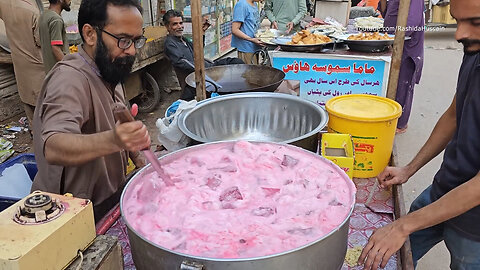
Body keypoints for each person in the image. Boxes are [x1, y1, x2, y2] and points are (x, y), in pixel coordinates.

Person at [359, 0, 480, 269]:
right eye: (457, 21)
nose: (460, 34)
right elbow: (454, 114)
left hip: (474, 225)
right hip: (443, 188)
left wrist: (404, 226)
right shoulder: (474, 50)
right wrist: (409, 169)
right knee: (382, 254)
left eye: (476, 23)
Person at [31, 0, 150, 221]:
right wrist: (114, 140)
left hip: (109, 200)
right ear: (90, 34)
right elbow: (54, 146)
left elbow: (122, 123)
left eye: (136, 40)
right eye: (123, 40)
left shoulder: (109, 69)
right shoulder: (69, 79)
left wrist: (141, 160)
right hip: (72, 215)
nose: (132, 50)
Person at [163, 9, 244, 101]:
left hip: (209, 68)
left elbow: (198, 50)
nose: (179, 26)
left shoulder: (183, 39)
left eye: (181, 23)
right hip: (199, 76)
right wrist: (203, 70)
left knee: (237, 62)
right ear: (167, 26)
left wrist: (202, 32)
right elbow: (180, 62)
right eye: (175, 24)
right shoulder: (170, 43)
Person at [380, 0, 424, 133]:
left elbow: (411, 23)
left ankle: (400, 124)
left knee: (403, 83)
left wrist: (395, 38)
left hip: (407, 44)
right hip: (393, 39)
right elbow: (385, 12)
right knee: (395, 82)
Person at [0, 0, 45, 124]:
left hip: (19, 60)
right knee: (42, 99)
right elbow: (41, 41)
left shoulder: (5, 5)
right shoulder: (33, 13)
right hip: (36, 62)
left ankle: (32, 128)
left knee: (26, 96)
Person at [39, 0, 71, 73]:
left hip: (50, 72)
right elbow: (56, 49)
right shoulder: (56, 19)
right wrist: (69, 69)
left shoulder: (44, 15)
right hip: (59, 72)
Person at [231, 0, 263, 65]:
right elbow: (235, 30)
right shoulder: (242, 5)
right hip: (246, 48)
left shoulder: (254, 4)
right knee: (248, 73)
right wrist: (251, 39)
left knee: (255, 72)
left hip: (255, 47)